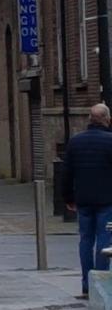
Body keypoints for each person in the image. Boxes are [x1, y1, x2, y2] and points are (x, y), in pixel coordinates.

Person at [62, 103, 112, 298]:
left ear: (89, 120)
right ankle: (100, 283)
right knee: (104, 240)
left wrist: (68, 198)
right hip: (107, 200)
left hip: (83, 200)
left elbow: (66, 174)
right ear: (107, 119)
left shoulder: (75, 142)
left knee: (85, 240)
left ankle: (86, 284)